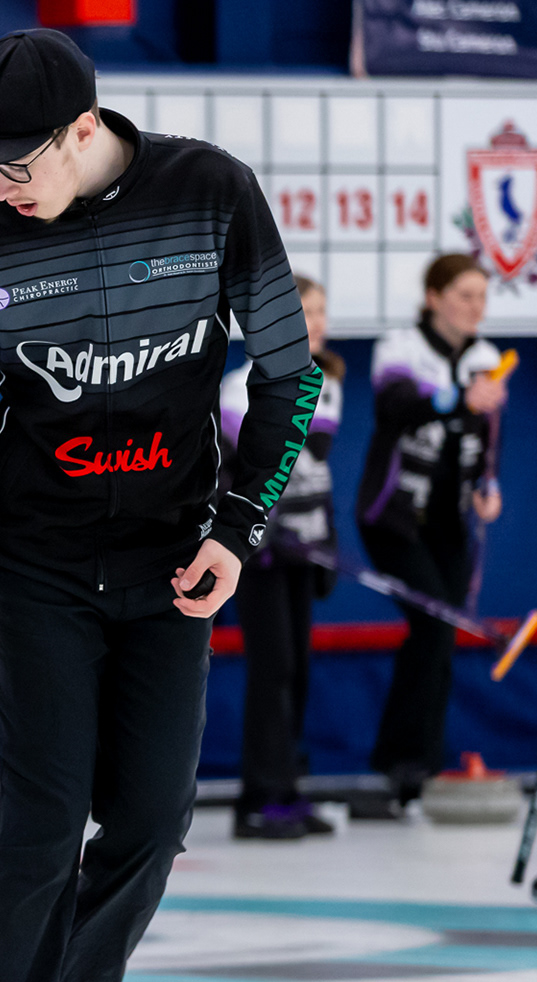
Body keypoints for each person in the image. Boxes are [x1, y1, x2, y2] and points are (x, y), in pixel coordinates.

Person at [0, 29, 317, 982]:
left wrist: (237, 527)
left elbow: (290, 370)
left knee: (152, 817)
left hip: (172, 564)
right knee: (40, 818)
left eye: (19, 162)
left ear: (85, 130)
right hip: (35, 567)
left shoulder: (212, 193)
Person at [359, 254, 506, 807]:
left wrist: (489, 487)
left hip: (449, 523)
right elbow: (395, 408)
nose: (475, 307)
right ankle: (405, 764)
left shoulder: (488, 358)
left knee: (439, 634)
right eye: (465, 295)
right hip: (393, 518)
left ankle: (416, 765)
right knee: (434, 624)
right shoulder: (399, 348)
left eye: (482, 296)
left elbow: (489, 438)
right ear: (434, 297)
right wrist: (456, 398)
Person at [222, 275, 344, 839]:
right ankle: (258, 800)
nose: (314, 322)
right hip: (259, 556)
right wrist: (256, 533)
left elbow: (316, 474)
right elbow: (232, 475)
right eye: (302, 311)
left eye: (320, 311)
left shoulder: (328, 385)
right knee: (271, 671)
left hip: (304, 551)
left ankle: (288, 790)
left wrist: (326, 542)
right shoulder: (237, 390)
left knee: (297, 670)